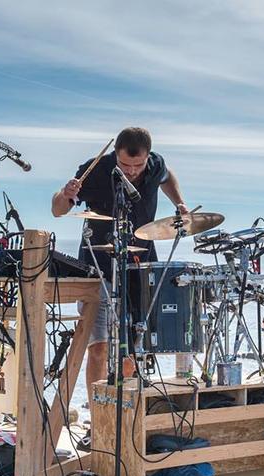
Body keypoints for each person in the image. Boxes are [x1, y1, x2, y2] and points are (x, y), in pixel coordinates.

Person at [51, 127, 188, 442]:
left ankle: (126, 419)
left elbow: (167, 175)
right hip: (98, 268)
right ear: (116, 154)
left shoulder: (155, 165)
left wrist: (180, 203)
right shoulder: (96, 169)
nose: (132, 171)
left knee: (133, 352)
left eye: (138, 166)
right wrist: (65, 193)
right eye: (125, 165)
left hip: (139, 267)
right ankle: (98, 424)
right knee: (99, 348)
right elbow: (58, 210)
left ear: (147, 158)